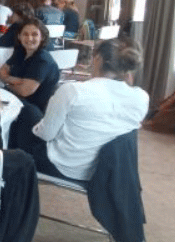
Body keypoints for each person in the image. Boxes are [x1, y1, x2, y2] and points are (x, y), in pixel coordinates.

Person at [10, 37, 147, 181]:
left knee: (27, 111)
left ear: (98, 59)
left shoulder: (73, 90)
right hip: (103, 173)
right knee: (35, 114)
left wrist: (39, 126)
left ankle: (9, 173)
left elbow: (46, 135)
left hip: (61, 167)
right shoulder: (142, 98)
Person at [0, 19, 61, 111]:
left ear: (42, 37)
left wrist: (7, 82)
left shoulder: (42, 60)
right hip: (15, 100)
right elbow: (1, 73)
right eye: (25, 34)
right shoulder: (20, 52)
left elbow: (24, 91)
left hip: (32, 109)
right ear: (19, 36)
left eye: (34, 34)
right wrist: (15, 80)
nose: (29, 38)